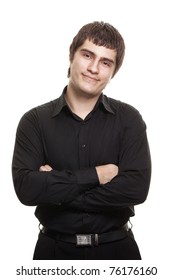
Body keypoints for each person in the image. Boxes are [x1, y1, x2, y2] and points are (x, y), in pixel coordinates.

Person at [12, 21, 151, 260]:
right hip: (53, 252)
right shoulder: (34, 121)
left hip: (118, 252)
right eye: (88, 55)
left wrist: (56, 189)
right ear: (71, 55)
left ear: (113, 71)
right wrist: (97, 175)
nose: (94, 68)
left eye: (105, 62)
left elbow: (136, 188)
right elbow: (26, 189)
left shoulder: (129, 119)